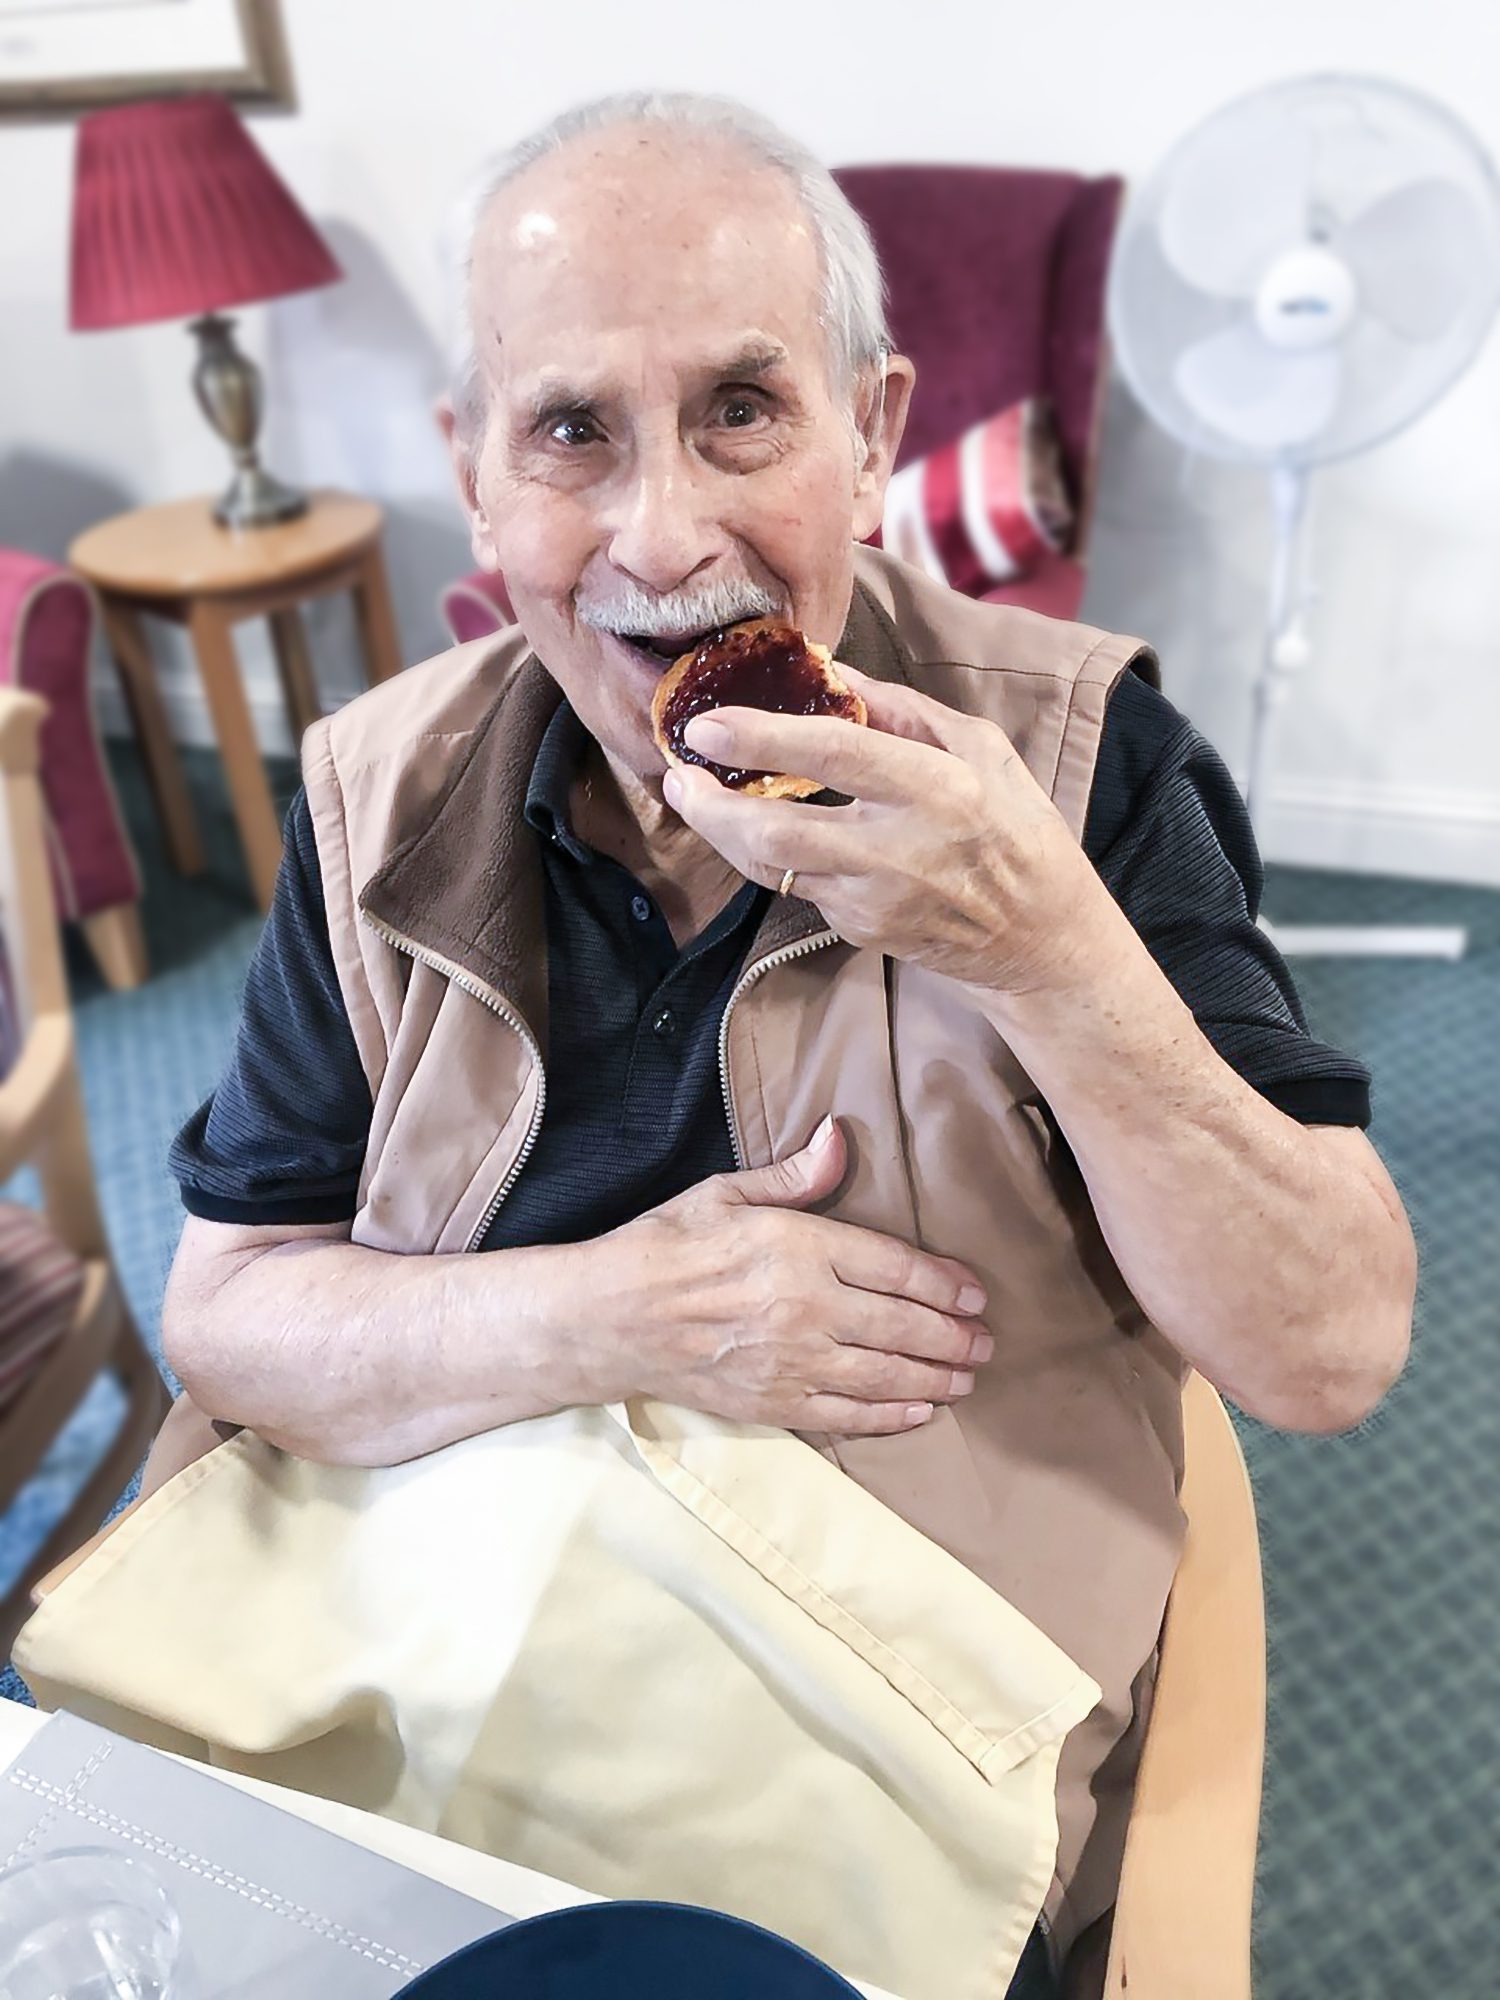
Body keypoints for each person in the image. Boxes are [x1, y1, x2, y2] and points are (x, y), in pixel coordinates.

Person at [161, 92, 1417, 1998]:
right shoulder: (372, 799)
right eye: (572, 432)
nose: (665, 534)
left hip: (866, 1725)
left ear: (874, 438)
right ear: (477, 479)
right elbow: (228, 1308)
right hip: (411, 1646)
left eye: (744, 411)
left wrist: (1049, 950)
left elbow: (1329, 1346)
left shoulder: (1082, 777)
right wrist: (626, 1312)